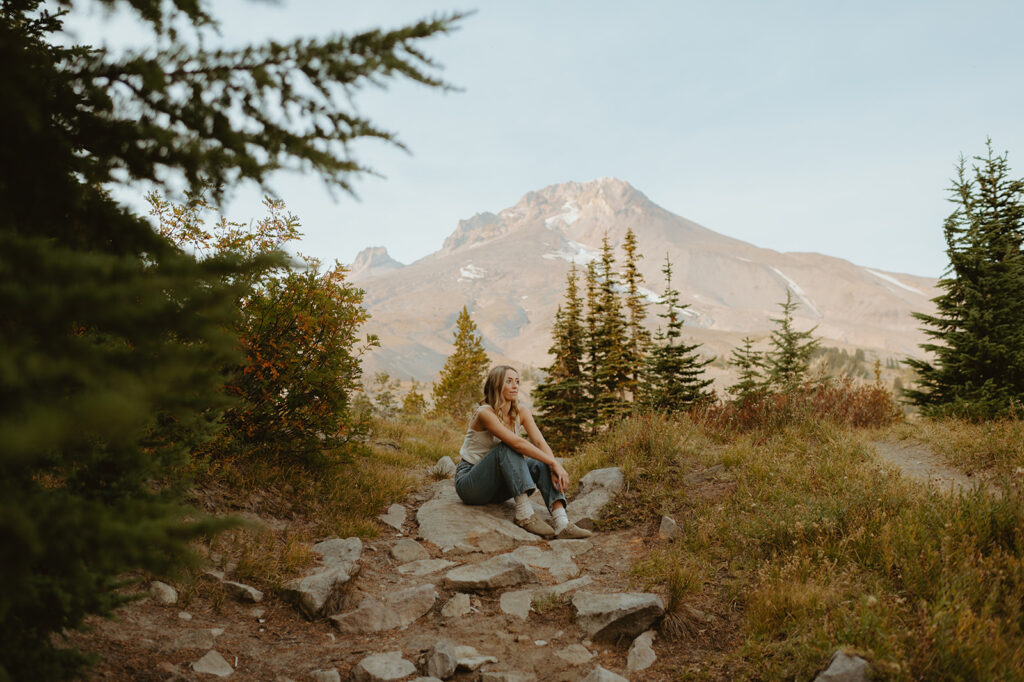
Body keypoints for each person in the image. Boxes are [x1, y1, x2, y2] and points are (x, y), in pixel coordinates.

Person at [454, 365, 592, 539]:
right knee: (508, 447)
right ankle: (525, 515)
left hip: (497, 487)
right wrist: (553, 462)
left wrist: (553, 465)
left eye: (517, 382)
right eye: (509, 381)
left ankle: (562, 523)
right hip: (471, 483)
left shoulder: (522, 412)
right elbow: (517, 443)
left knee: (543, 460)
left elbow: (540, 442)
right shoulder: (485, 413)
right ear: (496, 385)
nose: (515, 386)